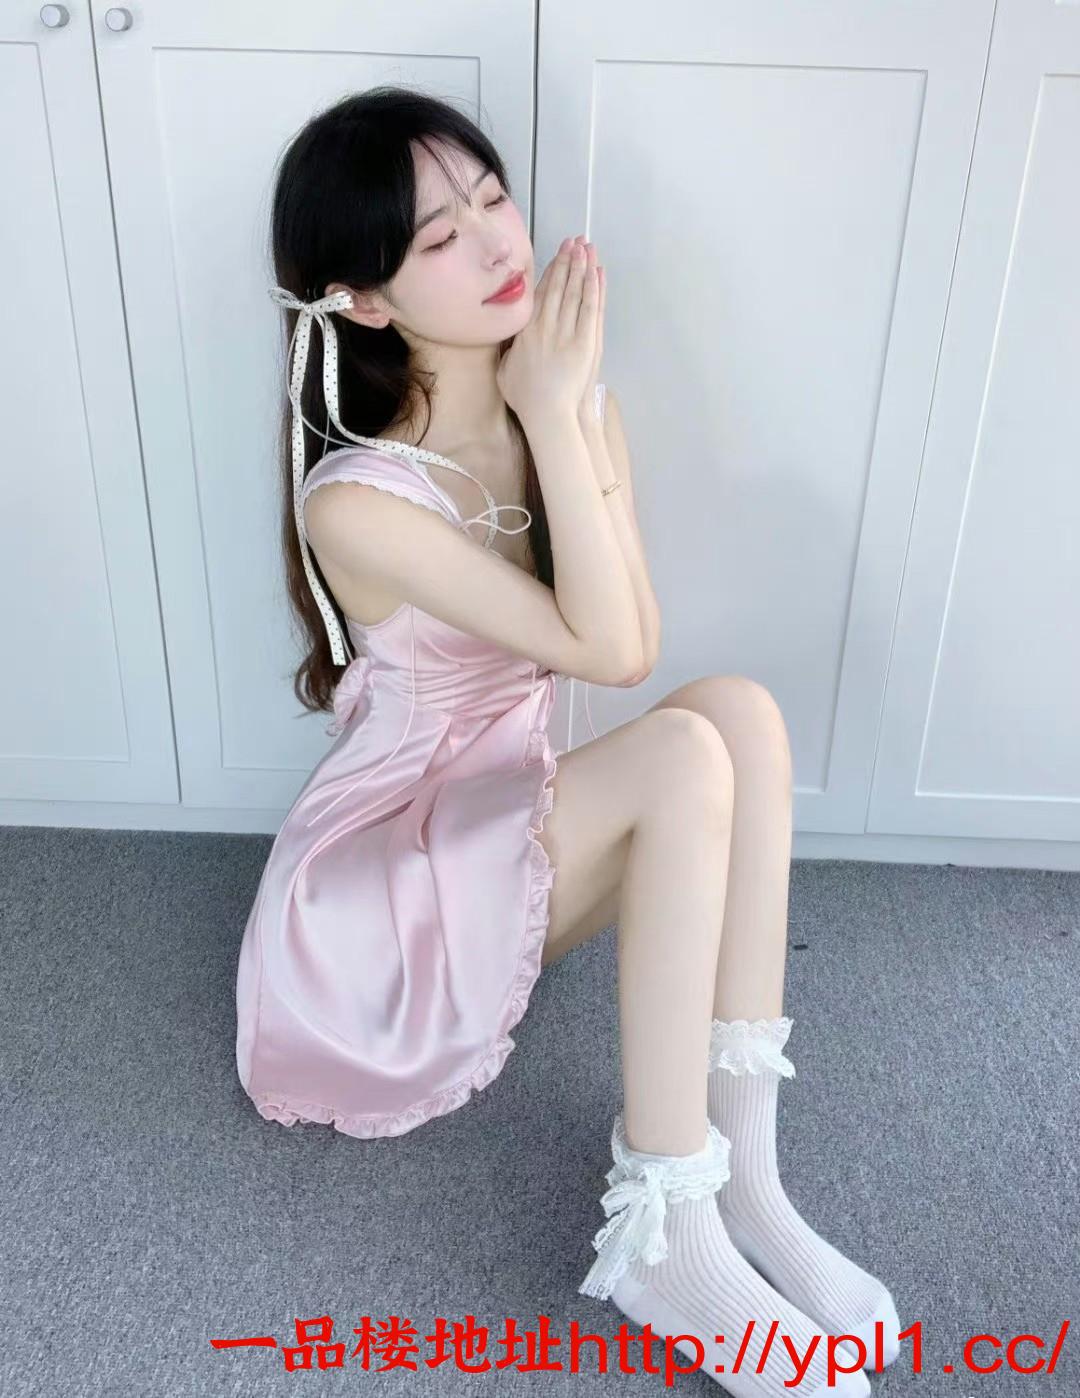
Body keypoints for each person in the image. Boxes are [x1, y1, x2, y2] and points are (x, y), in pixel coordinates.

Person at [235, 86, 899, 1394]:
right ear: (361, 300)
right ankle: (664, 1230)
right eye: (439, 238)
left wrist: (567, 415)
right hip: (376, 903)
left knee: (740, 715)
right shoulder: (355, 500)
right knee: (680, 752)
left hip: (503, 817)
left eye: (493, 198)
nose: (496, 244)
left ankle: (748, 1182)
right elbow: (608, 656)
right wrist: (552, 411)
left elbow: (637, 630)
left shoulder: (571, 402)